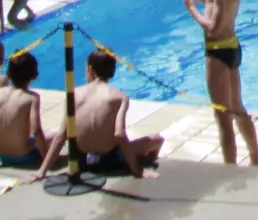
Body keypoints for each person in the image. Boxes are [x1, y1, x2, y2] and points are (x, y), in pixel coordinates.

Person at [183, 0, 258, 166]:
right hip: (232, 47)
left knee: (223, 117)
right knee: (238, 108)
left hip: (217, 51)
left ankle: (229, 171)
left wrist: (191, 8)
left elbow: (212, 29)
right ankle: (256, 158)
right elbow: (221, 7)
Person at [36, 50, 164, 178]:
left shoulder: (74, 94)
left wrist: (41, 171)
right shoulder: (119, 97)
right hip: (109, 161)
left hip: (82, 162)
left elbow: (61, 136)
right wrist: (137, 170)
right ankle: (138, 164)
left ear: (90, 69)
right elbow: (119, 134)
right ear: (112, 71)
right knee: (157, 139)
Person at [0, 51, 49, 168]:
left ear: (9, 73)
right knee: (52, 136)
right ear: (34, 74)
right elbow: (36, 130)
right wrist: (46, 160)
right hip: (24, 156)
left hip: (2, 155)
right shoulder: (32, 98)